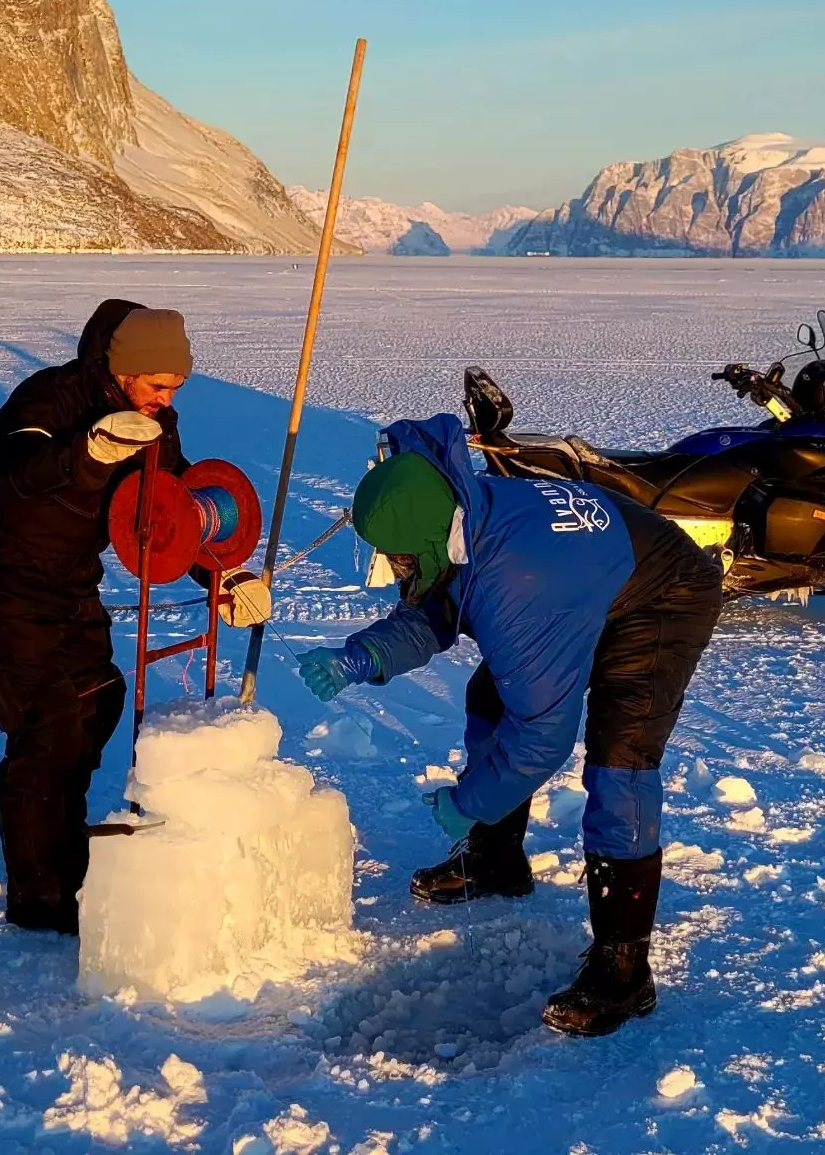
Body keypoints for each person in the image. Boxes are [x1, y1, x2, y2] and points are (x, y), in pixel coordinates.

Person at [298, 414, 722, 1036]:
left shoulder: (514, 582)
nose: (395, 568)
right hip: (588, 576)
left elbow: (543, 739)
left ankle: (623, 972)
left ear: (431, 536)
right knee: (490, 698)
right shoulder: (456, 513)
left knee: (620, 761)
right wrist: (359, 657)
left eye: (398, 557)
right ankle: (496, 861)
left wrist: (469, 800)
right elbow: (435, 608)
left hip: (662, 596)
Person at [0, 300, 270, 934]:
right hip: (4, 581)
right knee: (49, 731)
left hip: (71, 582)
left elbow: (171, 515)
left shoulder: (158, 422)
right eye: (158, 384)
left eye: (177, 386)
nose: (166, 397)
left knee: (98, 701)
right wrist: (88, 454)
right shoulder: (48, 401)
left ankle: (65, 856)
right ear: (124, 369)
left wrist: (223, 578)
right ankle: (41, 902)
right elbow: (6, 485)